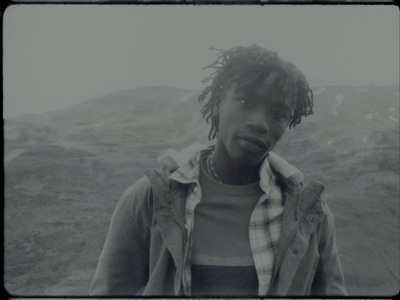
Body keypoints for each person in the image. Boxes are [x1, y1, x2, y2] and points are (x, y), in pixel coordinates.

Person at [90, 44, 347, 296]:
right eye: (246, 100)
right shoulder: (150, 198)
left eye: (278, 113)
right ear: (218, 102)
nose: (260, 123)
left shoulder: (309, 214)